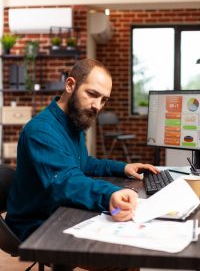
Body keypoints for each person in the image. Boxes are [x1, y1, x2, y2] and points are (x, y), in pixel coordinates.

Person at [6, 59, 159, 244]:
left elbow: (83, 163)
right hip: (36, 224)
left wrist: (124, 167)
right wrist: (110, 194)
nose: (98, 106)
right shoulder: (41, 131)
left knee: (127, 234)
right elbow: (64, 181)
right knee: (121, 250)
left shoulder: (72, 122)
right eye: (92, 94)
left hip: (58, 210)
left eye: (104, 99)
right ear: (70, 85)